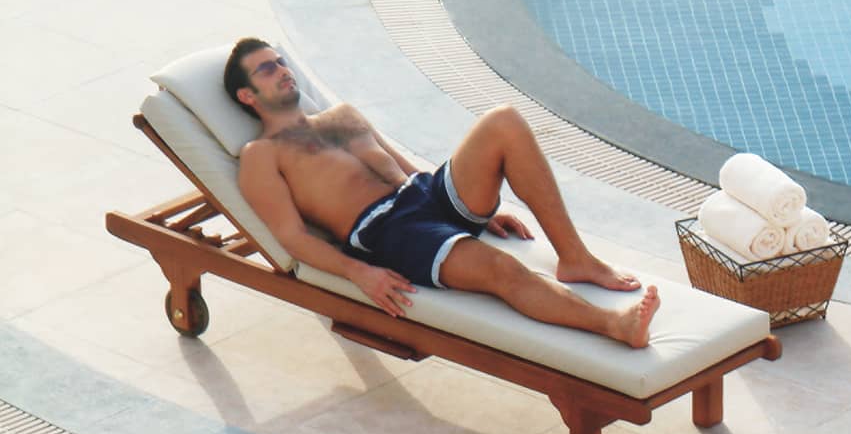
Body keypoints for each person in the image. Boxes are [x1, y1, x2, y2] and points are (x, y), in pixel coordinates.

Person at [224, 38, 660, 348]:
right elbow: (292, 238)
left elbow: (403, 168)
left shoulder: (340, 116)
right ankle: (614, 326)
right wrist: (359, 273)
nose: (282, 71)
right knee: (501, 270)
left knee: (504, 121)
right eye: (267, 70)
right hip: (390, 231)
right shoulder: (262, 155)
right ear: (247, 95)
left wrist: (474, 208)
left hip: (425, 195)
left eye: (281, 62)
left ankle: (576, 257)